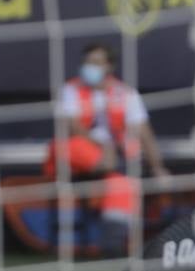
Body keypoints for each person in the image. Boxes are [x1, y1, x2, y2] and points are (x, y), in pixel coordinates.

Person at [46, 42, 170, 257]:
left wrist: (158, 167)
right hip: (83, 156)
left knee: (120, 183)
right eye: (87, 62)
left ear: (109, 66)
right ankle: (109, 165)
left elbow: (144, 131)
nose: (89, 67)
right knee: (68, 146)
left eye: (96, 62)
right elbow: (72, 125)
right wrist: (103, 147)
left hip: (117, 160)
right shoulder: (71, 90)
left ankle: (112, 240)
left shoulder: (126, 93)